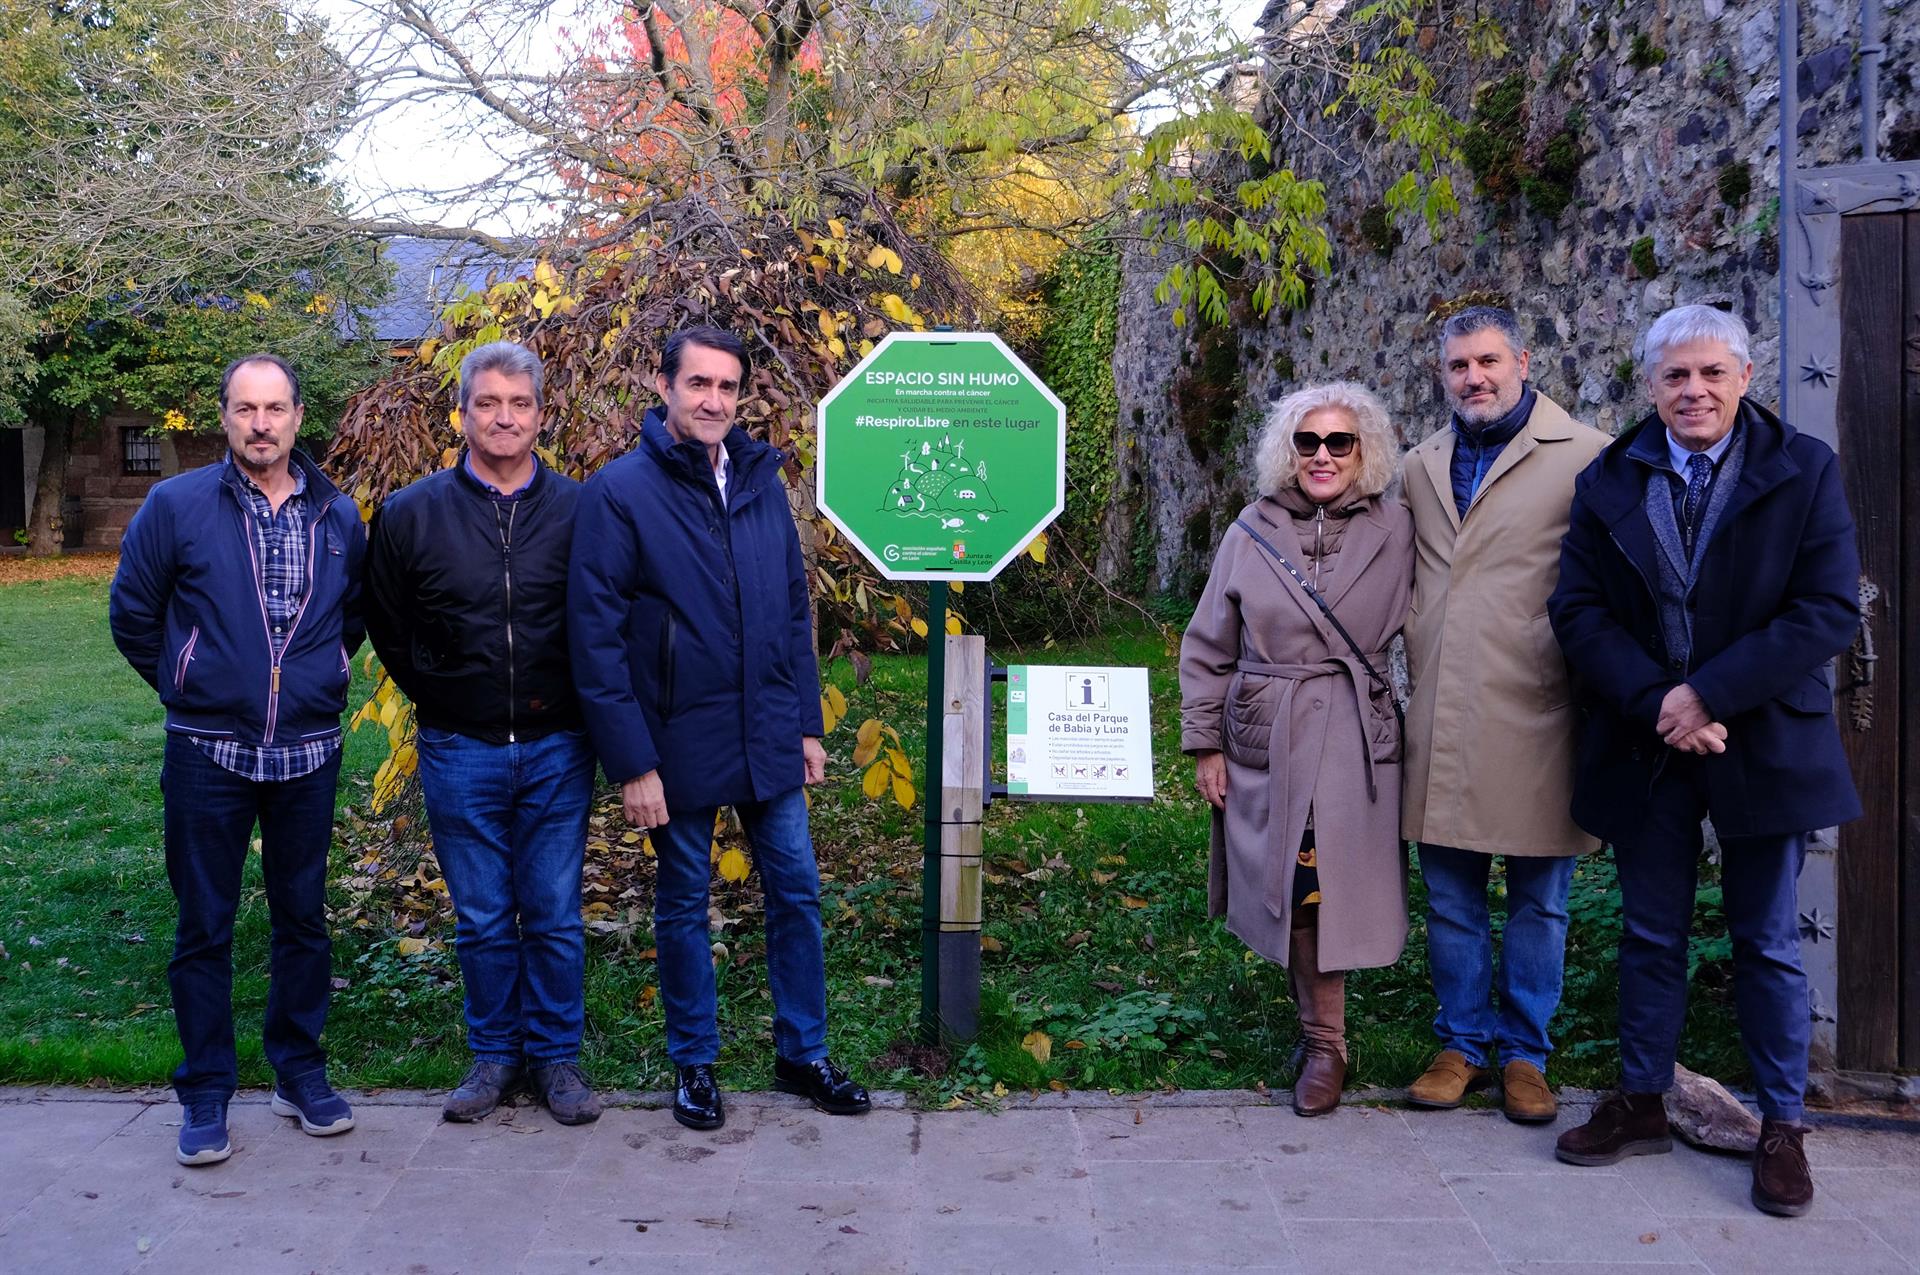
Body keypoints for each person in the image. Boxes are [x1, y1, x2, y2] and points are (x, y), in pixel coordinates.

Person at [1548, 305, 1861, 1217]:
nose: (1694, 392)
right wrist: (1659, 703)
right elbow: (1579, 613)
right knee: (1650, 933)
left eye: (1712, 374)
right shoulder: (1610, 476)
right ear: (1651, 384)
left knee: (1766, 939)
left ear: (1744, 378)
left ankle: (1782, 1127)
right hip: (1649, 740)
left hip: (1763, 733)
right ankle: (1642, 1101)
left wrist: (1708, 694)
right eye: (1676, 376)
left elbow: (1826, 610)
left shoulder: (1802, 470)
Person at [568, 324, 870, 1130]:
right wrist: (633, 762)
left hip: (768, 728)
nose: (713, 400)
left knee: (797, 892)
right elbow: (595, 643)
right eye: (698, 383)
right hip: (674, 739)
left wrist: (807, 724)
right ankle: (694, 1063)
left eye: (728, 387)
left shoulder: (762, 482)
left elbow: (792, 607)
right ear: (664, 386)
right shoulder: (620, 492)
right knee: (682, 904)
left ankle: (802, 1051)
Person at [109, 353, 364, 1165]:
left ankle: (298, 1072)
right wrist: (192, 680)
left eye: (276, 407)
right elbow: (133, 614)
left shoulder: (338, 515)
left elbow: (347, 620)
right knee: (203, 925)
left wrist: (314, 680)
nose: (262, 423)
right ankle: (207, 1090)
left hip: (308, 752)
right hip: (206, 752)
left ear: (298, 416)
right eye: (245, 408)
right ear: (223, 416)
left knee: (302, 920)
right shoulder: (175, 505)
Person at [365, 341, 600, 1126]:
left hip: (558, 744)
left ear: (541, 413)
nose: (505, 417)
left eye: (520, 403)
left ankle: (557, 1058)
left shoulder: (580, 511)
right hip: (458, 748)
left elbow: (606, 623)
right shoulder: (410, 513)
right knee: (485, 917)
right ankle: (495, 1055)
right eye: (489, 402)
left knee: (556, 912)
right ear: (461, 411)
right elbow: (389, 625)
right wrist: (440, 693)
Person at [1399, 306, 1612, 1124]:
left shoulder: (1586, 456)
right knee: (1450, 897)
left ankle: (1525, 1053)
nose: (1474, 378)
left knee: (1540, 898)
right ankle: (1458, 1042)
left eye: (1488, 361)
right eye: (1458, 366)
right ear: (1442, 374)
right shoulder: (1420, 464)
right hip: (1444, 708)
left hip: (1540, 709)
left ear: (1523, 361)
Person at [1180, 382, 1414, 1116]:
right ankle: (1323, 1041)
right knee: (1293, 884)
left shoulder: (1400, 528)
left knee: (1332, 884)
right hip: (1269, 731)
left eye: (1338, 442)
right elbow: (1209, 644)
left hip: (1353, 733)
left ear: (1363, 452)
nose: (1321, 455)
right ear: (1287, 451)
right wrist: (1204, 744)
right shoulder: (1250, 529)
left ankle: (1326, 1039)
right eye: (1306, 442)